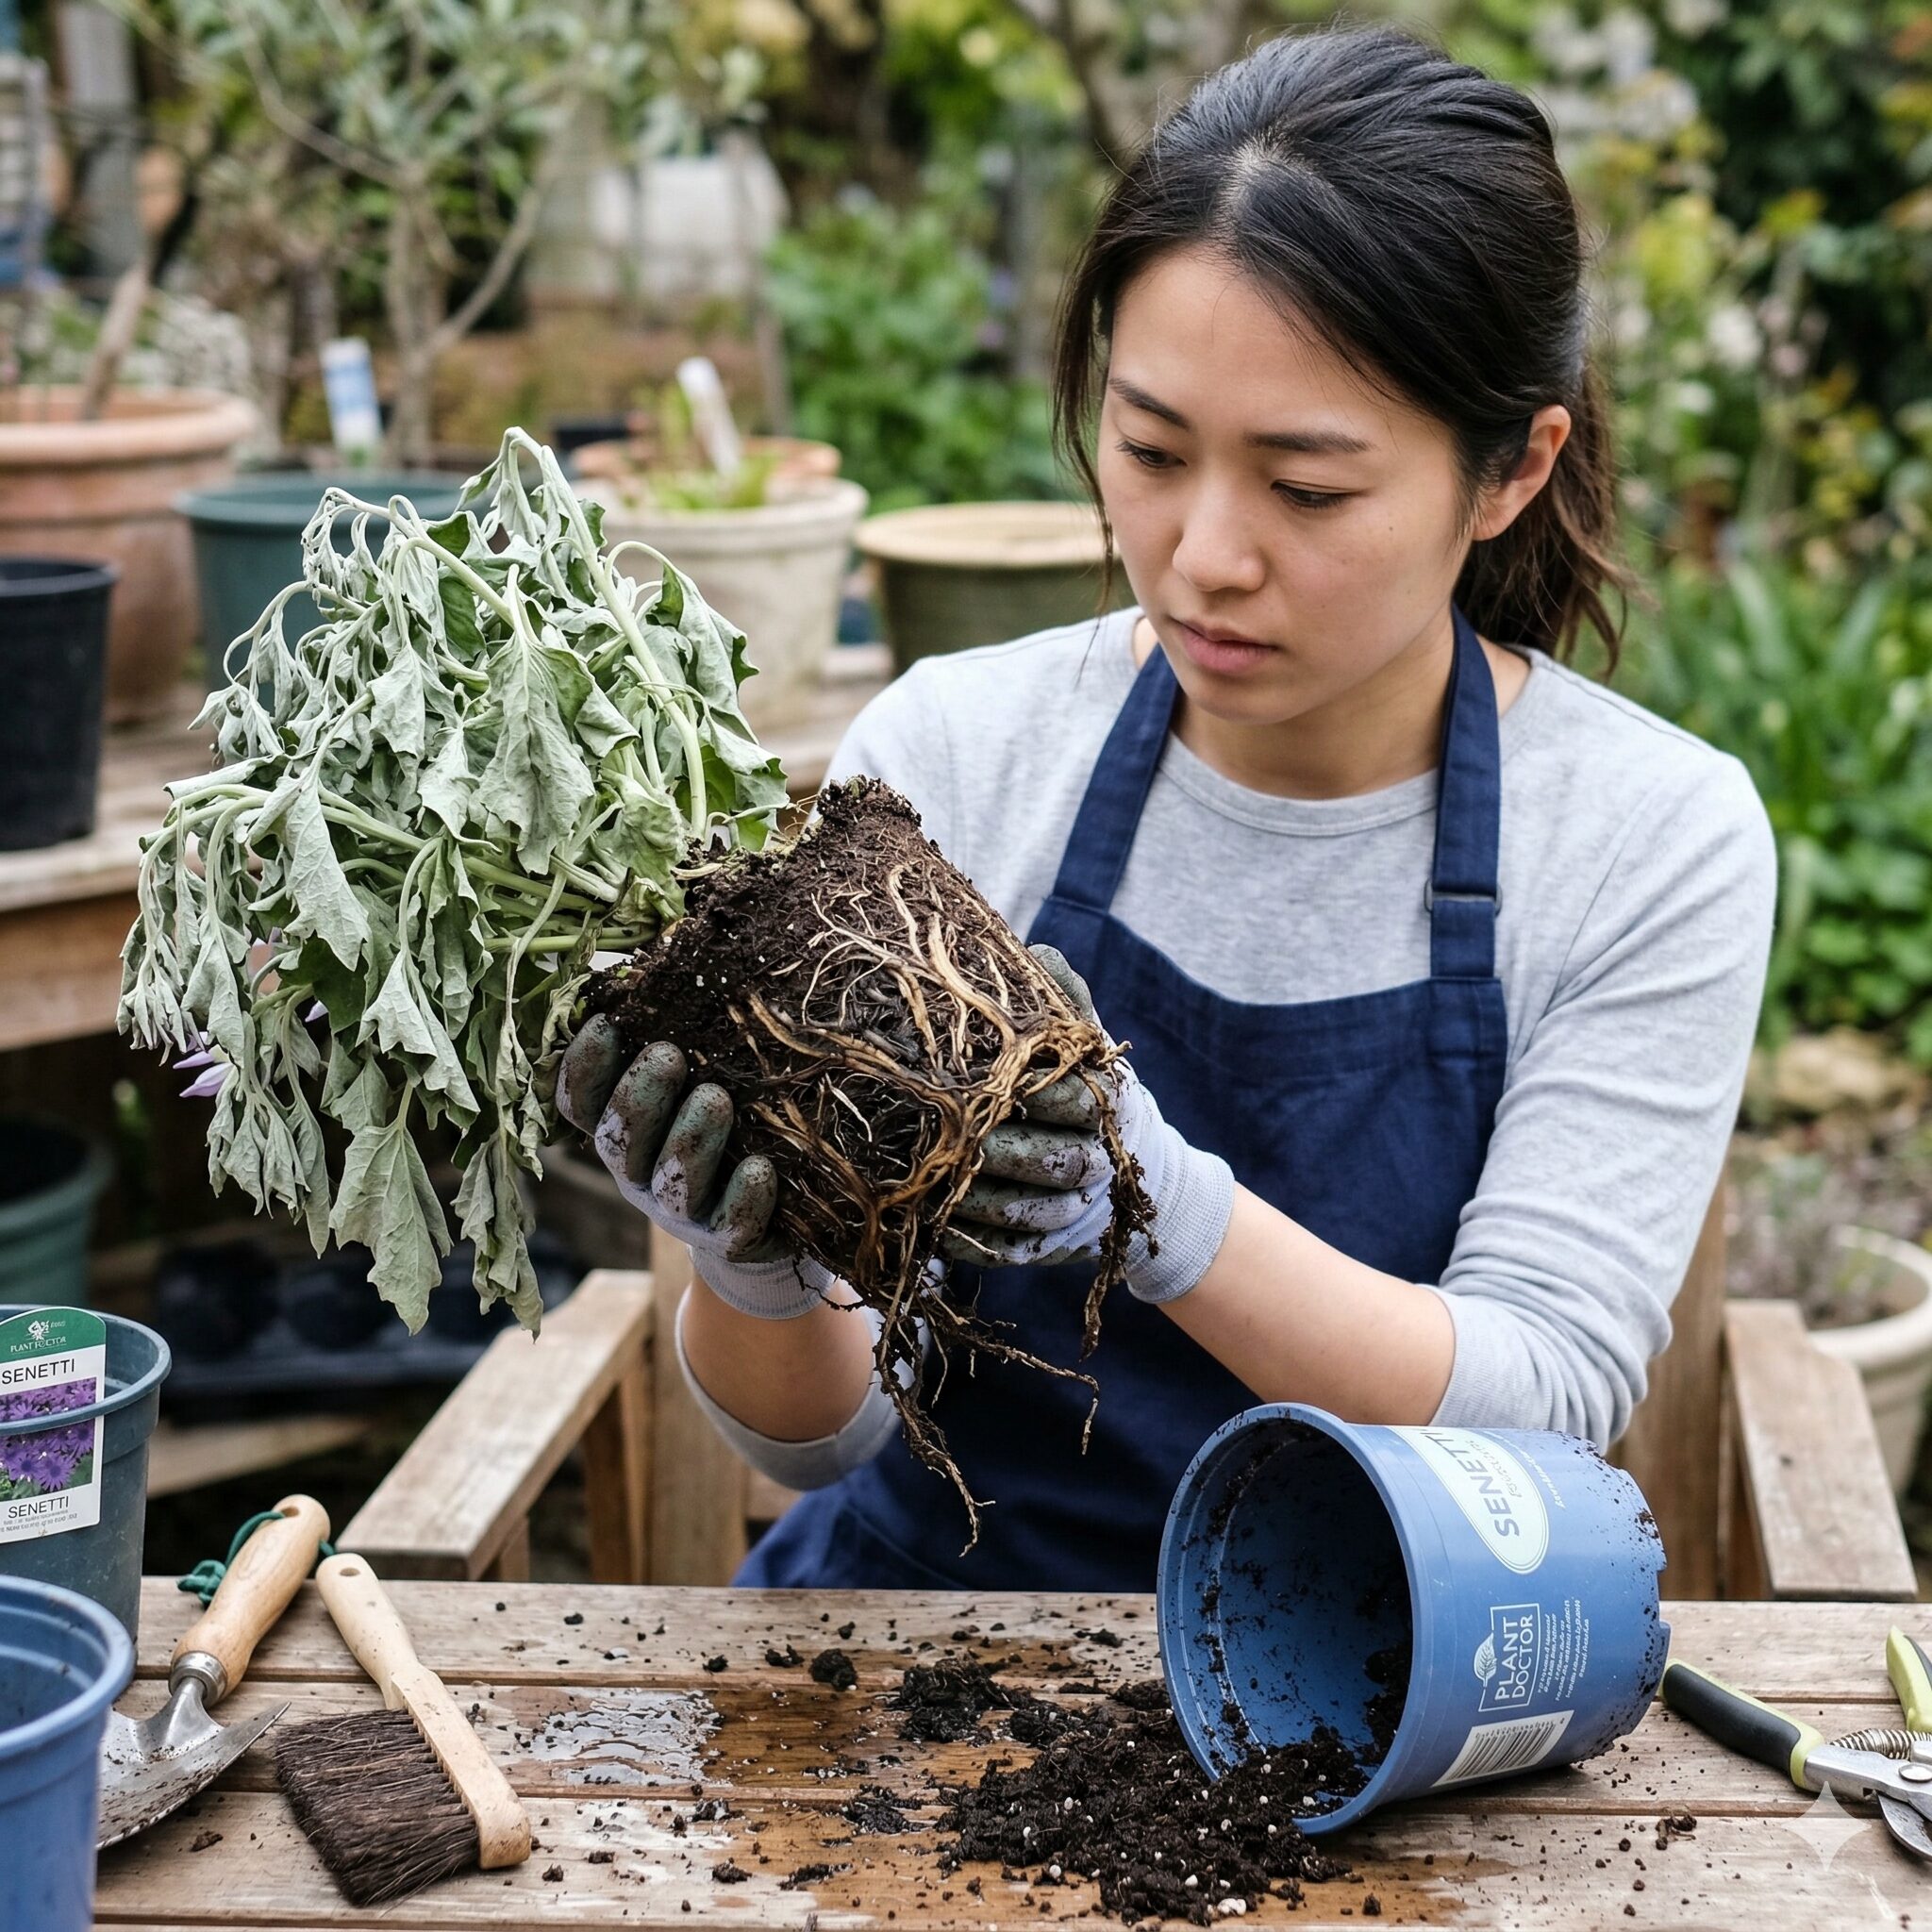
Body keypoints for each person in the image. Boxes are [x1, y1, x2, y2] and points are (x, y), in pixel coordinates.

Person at [556, 22, 1776, 1591]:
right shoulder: (960, 754)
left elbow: (1534, 1427)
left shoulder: (1642, 836)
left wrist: (1162, 1205)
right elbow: (816, 1446)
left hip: (1372, 1686)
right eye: (1149, 448)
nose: (1204, 553)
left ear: (1509, 471)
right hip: (920, 1651)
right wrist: (760, 1264)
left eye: (1309, 487)